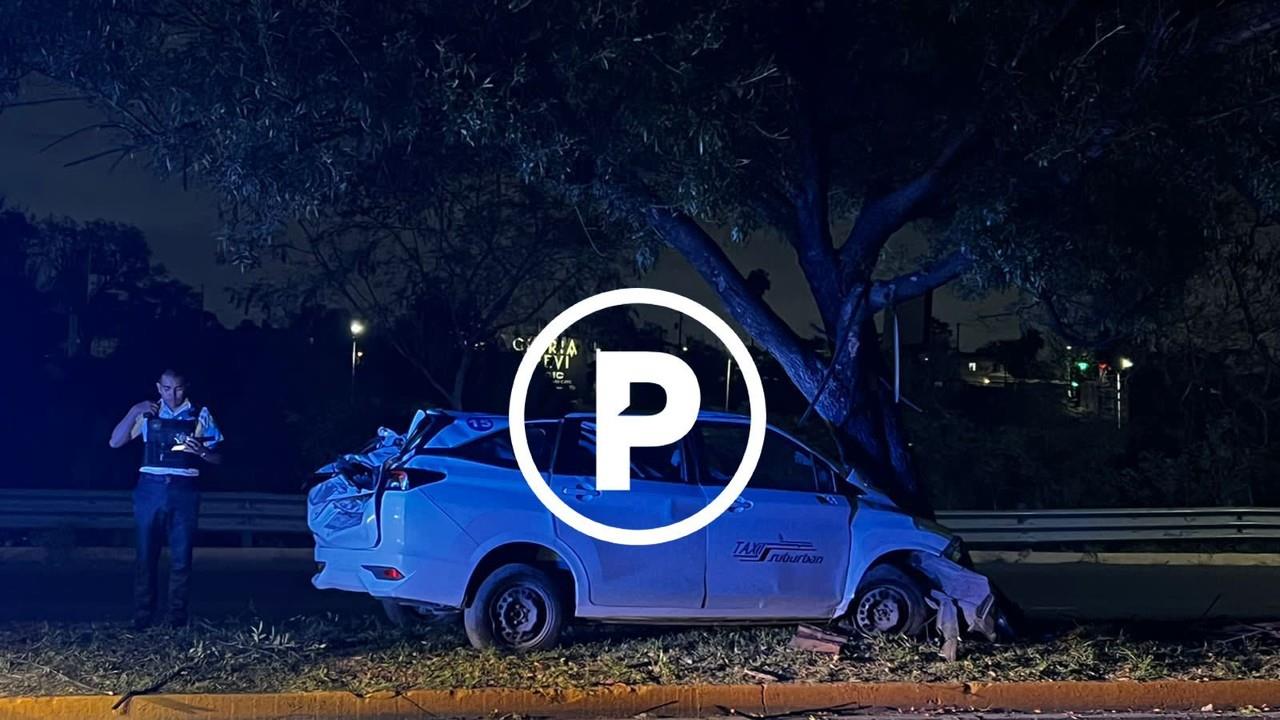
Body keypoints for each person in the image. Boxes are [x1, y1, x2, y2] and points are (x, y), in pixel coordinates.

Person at [108, 368, 224, 629]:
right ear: (159, 388)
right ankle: (142, 617)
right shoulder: (148, 412)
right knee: (145, 556)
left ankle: (176, 620)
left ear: (186, 387)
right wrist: (134, 410)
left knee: (182, 558)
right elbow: (115, 442)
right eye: (167, 388)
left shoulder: (199, 414)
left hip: (184, 489)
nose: (173, 394)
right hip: (150, 488)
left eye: (179, 388)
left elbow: (218, 456)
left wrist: (203, 452)